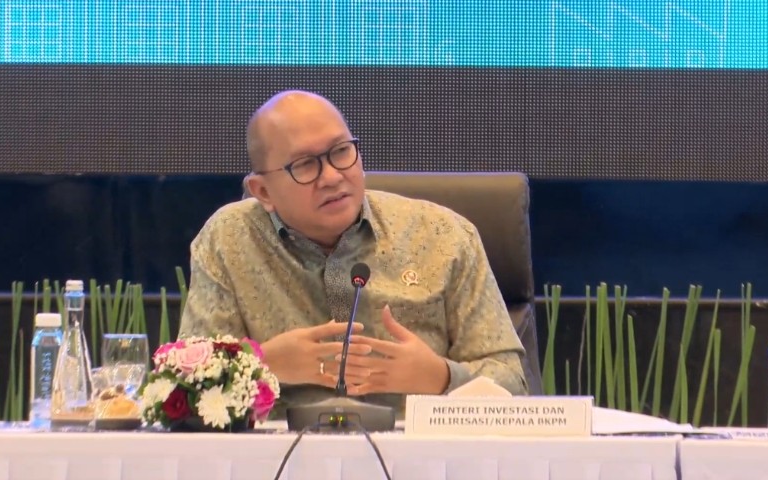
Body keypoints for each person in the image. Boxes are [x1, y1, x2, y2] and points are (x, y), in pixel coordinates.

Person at [179, 90, 528, 417]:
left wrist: (441, 378)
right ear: (263, 191)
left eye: (341, 151)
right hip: (280, 454)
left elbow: (513, 384)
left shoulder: (443, 236)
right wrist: (262, 363)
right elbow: (182, 388)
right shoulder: (229, 239)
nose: (332, 177)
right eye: (305, 165)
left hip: (416, 453)